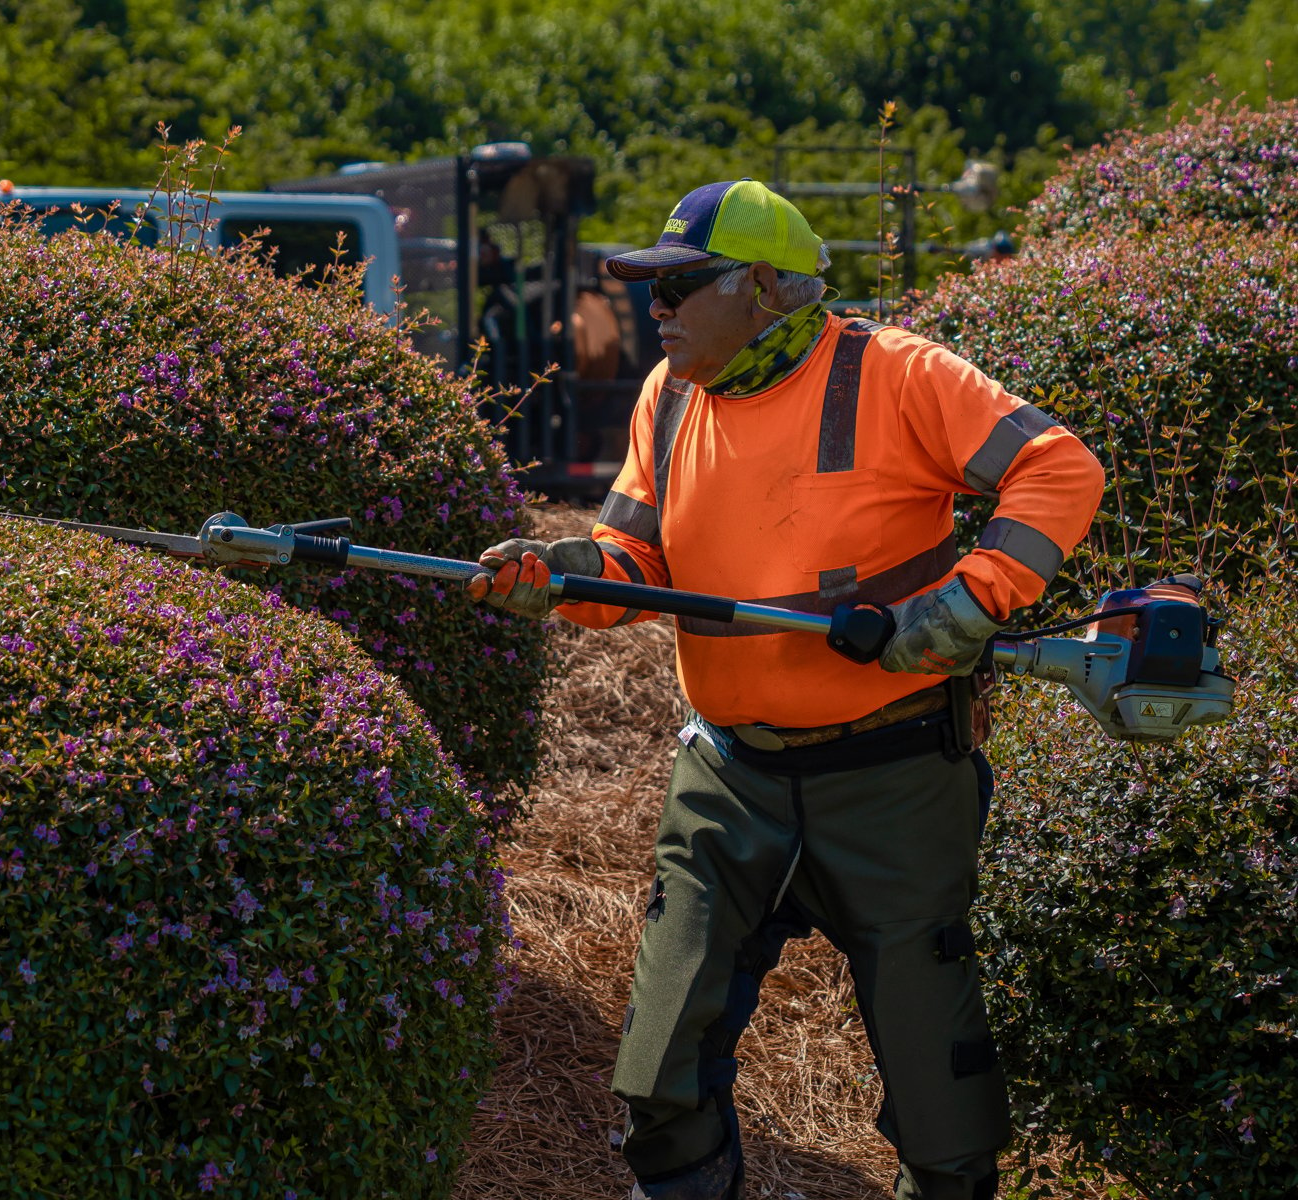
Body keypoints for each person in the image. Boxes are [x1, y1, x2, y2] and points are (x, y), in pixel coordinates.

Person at [466, 179, 1104, 1200]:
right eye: (650, 289)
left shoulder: (898, 375)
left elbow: (1058, 468)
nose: (655, 308)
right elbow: (633, 562)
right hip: (730, 777)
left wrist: (972, 598)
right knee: (660, 1071)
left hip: (895, 774)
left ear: (764, 285)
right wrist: (559, 578)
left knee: (941, 1102)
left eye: (680, 286)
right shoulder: (667, 398)